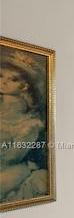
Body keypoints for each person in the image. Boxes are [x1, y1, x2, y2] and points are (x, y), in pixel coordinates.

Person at [0, 50, 48, 203]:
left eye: (12, 79)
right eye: (1, 76)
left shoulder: (29, 124)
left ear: (24, 87)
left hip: (12, 171)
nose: (4, 82)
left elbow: (12, 157)